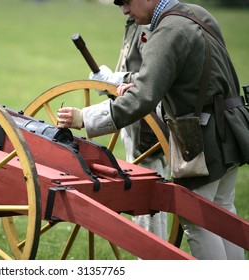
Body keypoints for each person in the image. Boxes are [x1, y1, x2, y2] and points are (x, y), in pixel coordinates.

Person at [57, 0, 249, 260]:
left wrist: (85, 118)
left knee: (198, 220)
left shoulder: (167, 32)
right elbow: (187, 72)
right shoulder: (196, 13)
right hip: (232, 128)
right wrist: (134, 82)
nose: (124, 10)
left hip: (203, 138)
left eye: (125, 2)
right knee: (223, 214)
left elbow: (143, 99)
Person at [89, 6, 168, 241]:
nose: (123, 9)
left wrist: (115, 79)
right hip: (134, 118)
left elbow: (149, 77)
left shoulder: (151, 23)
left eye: (126, 2)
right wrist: (113, 82)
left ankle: (152, 256)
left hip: (147, 122)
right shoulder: (137, 19)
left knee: (146, 187)